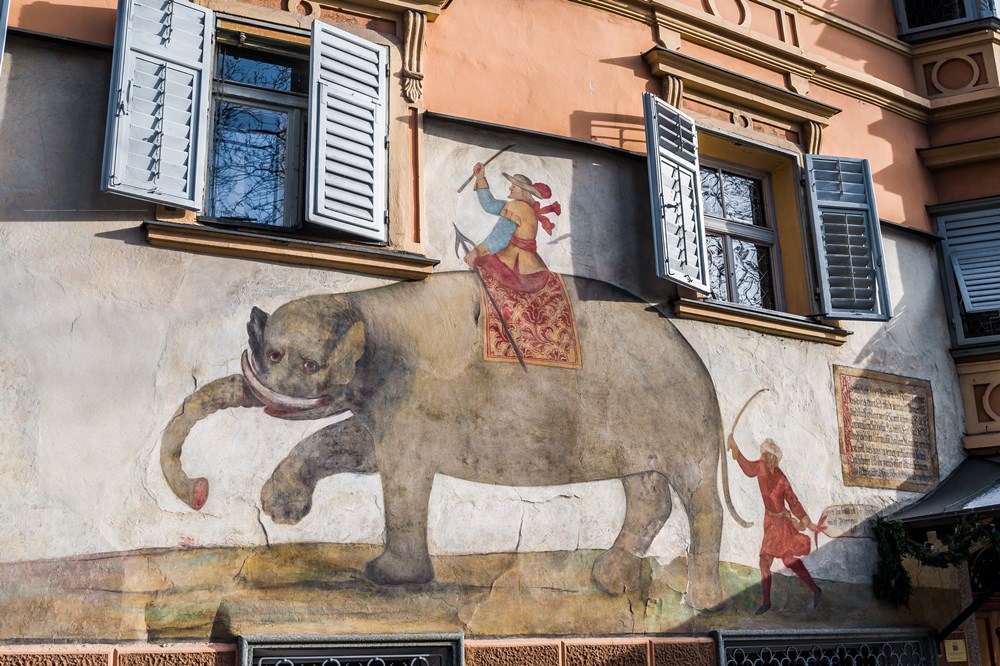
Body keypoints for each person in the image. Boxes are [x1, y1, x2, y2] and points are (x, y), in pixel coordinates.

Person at [728, 434, 823, 615]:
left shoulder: (781, 477)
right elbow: (748, 468)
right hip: (770, 522)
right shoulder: (760, 468)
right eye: (767, 454)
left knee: (788, 560)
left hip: (782, 523)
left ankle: (815, 589)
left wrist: (806, 521)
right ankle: (766, 602)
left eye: (773, 455)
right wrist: (735, 447)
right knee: (765, 562)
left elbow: (792, 500)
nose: (770, 457)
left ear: (776, 458)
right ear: (764, 455)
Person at [463, 162, 560, 293]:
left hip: (519, 272)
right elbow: (491, 205)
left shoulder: (517, 207)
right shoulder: (524, 207)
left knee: (481, 264)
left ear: (523, 190)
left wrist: (476, 252)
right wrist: (480, 178)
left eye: (514, 186)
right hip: (534, 269)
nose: (510, 188)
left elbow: (499, 237)